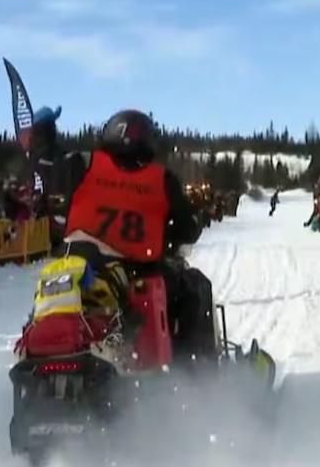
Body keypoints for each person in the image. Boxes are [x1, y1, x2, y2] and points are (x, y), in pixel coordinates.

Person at [35, 108, 206, 352]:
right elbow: (187, 228)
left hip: (77, 259)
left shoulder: (81, 163)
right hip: (135, 269)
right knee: (192, 290)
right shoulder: (162, 179)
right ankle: (197, 372)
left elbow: (51, 183)